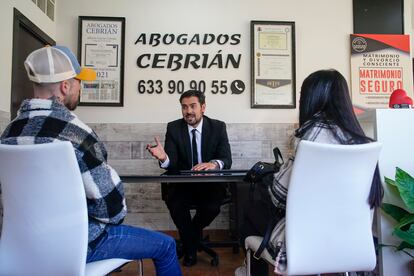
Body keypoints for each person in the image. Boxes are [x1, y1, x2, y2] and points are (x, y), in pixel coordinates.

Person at [0, 45, 181, 276]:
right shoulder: (76, 133)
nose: (80, 87)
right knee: (166, 246)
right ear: (65, 86)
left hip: (21, 248)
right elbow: (113, 208)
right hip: (77, 246)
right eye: (78, 82)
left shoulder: (8, 134)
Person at [236, 69, 383, 276]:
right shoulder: (361, 140)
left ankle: (246, 270)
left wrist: (276, 175)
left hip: (306, 242)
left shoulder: (310, 135)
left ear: (311, 100)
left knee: (251, 210)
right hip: (350, 242)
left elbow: (279, 197)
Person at [147, 90, 232, 266]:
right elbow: (173, 163)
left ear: (203, 107)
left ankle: (188, 242)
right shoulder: (173, 128)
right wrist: (164, 158)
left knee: (212, 206)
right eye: (184, 107)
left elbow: (226, 159)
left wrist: (214, 164)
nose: (188, 111)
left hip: (209, 184)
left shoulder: (218, 127)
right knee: (175, 204)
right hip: (183, 184)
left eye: (193, 106)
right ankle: (191, 248)